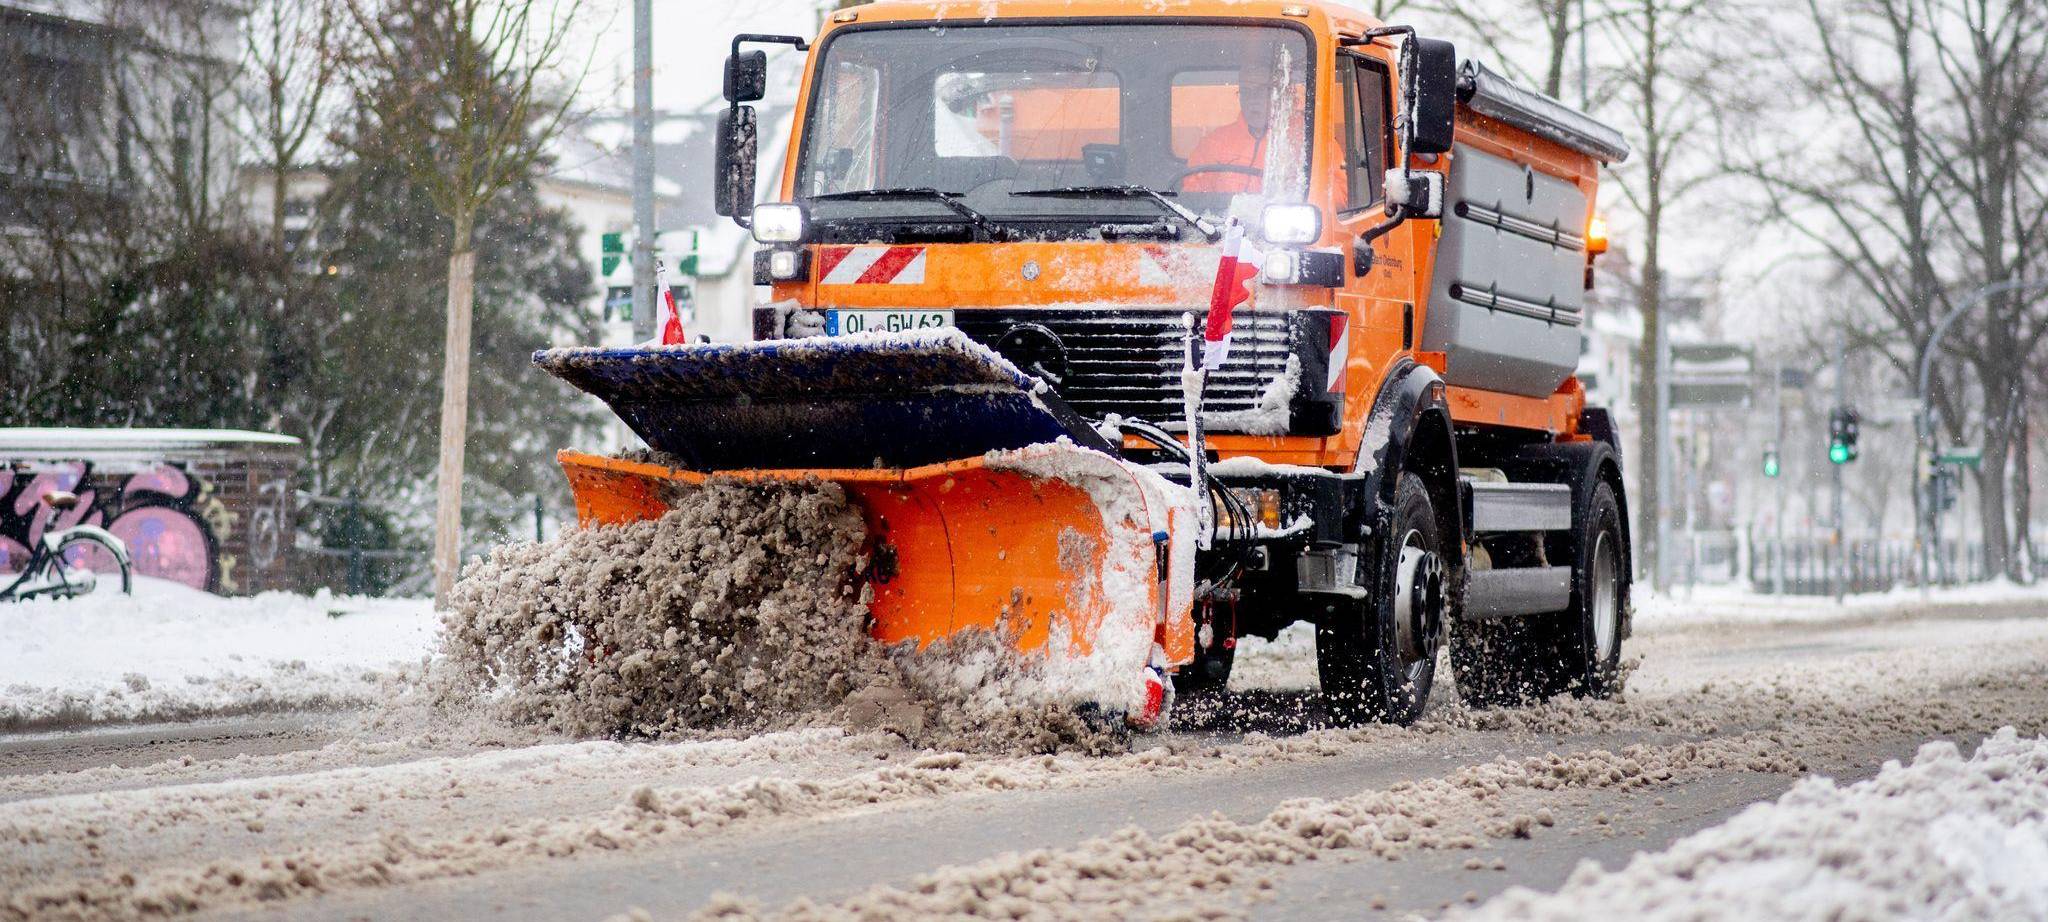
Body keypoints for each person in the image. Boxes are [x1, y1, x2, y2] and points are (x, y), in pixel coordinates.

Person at [1182, 51, 1288, 194]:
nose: (1252, 99)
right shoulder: (1215, 143)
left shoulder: (1295, 142)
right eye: (1246, 91)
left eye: (1262, 90)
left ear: (1278, 94)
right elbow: (1193, 195)